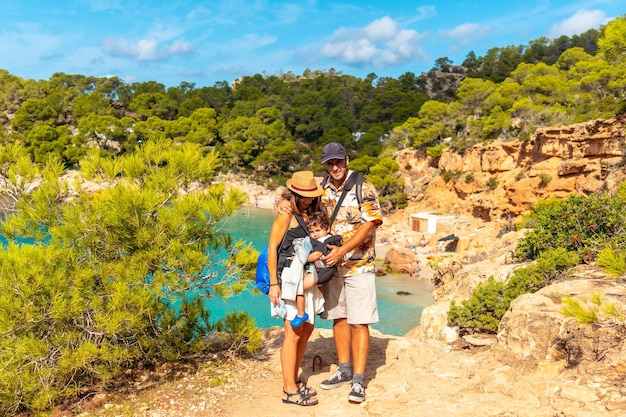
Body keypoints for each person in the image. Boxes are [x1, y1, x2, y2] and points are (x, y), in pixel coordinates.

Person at [277, 142, 383, 404]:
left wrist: (342, 250)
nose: (335, 167)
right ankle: (344, 369)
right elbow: (297, 195)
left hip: (359, 264)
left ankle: (358, 380)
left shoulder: (363, 186)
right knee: (340, 318)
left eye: (339, 161)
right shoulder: (321, 188)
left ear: (347, 160)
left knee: (360, 322)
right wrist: (280, 201)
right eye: (330, 163)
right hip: (331, 267)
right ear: (325, 164)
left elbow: (369, 225)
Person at [267, 171, 324, 407]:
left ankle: (295, 379)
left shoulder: (311, 213)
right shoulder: (286, 214)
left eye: (311, 195)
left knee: (307, 329)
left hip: (308, 281)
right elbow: (272, 247)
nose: (307, 199)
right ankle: (289, 389)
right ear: (293, 193)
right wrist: (273, 283)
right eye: (303, 195)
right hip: (289, 283)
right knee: (292, 333)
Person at [291, 210, 342, 325]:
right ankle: (319, 307)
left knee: (298, 287)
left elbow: (317, 255)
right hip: (321, 271)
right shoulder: (323, 239)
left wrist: (300, 258)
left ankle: (301, 313)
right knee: (317, 289)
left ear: (327, 229)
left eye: (318, 230)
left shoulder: (324, 241)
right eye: (312, 232)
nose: (315, 234)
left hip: (321, 272)